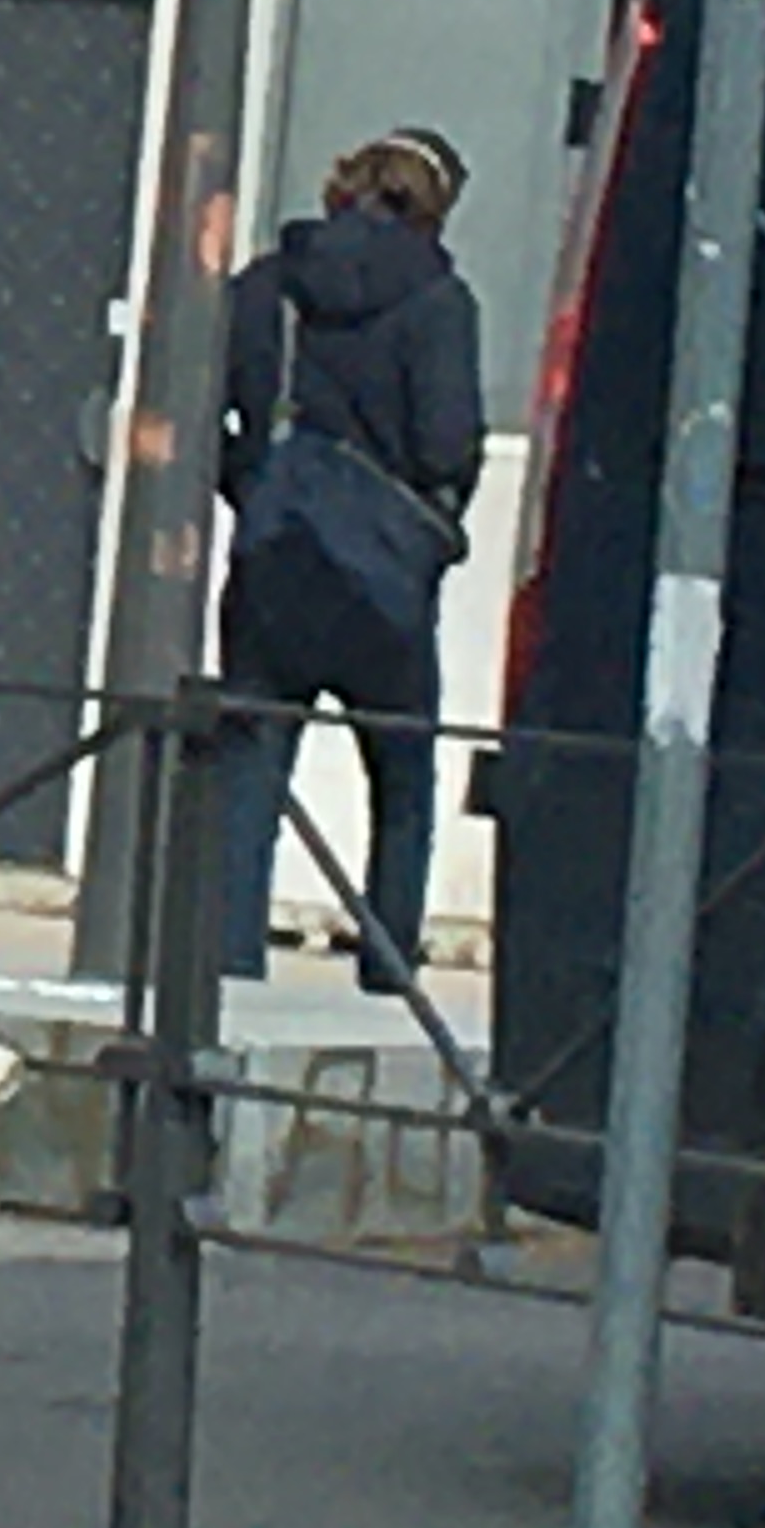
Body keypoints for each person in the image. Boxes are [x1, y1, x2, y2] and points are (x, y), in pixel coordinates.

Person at [213, 126, 484, 993]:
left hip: (277, 555)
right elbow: (446, 446)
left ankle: (227, 963)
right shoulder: (440, 300)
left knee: (251, 764)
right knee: (403, 780)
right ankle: (388, 966)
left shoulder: (269, 285)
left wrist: (254, 488)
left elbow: (218, 409)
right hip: (385, 578)